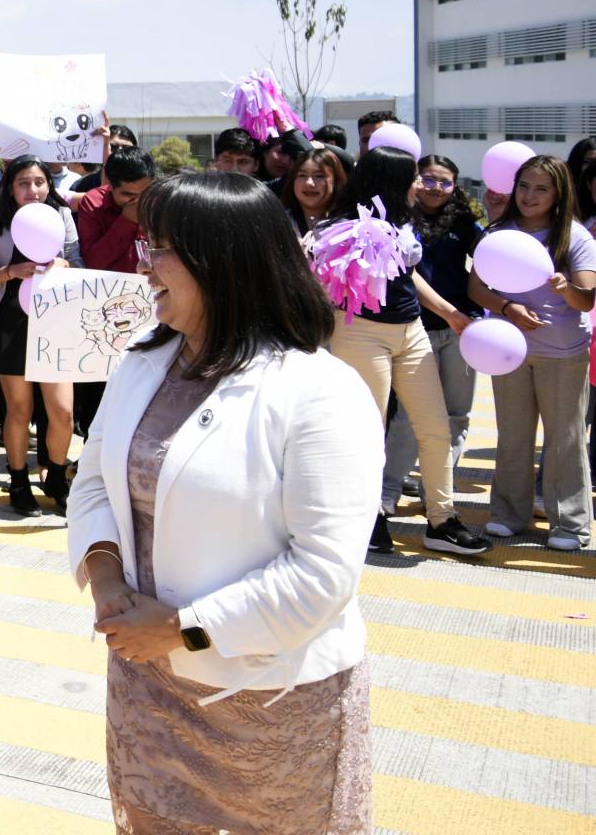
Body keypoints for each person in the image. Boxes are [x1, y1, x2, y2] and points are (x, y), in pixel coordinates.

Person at [69, 171, 378, 835]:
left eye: (160, 249)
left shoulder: (320, 391)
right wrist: (106, 578)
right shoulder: (143, 360)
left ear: (221, 261)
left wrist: (183, 627)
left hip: (270, 701)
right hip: (149, 684)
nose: (142, 265)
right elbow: (93, 480)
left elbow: (322, 572)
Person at [318, 145, 489, 557]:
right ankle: (368, 515)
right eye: (413, 176)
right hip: (360, 335)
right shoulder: (342, 227)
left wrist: (450, 313)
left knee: (435, 428)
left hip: (411, 332)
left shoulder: (403, 221)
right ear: (390, 182)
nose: (419, 183)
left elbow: (407, 274)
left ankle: (442, 520)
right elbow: (325, 285)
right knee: (369, 431)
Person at [468, 155, 596, 550]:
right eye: (524, 186)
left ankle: (570, 525)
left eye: (541, 188)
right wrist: (508, 308)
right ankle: (509, 514)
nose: (529, 195)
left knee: (565, 439)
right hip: (509, 350)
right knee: (513, 435)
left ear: (559, 193)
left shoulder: (575, 237)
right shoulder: (498, 232)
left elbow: (586, 299)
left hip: (563, 352)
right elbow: (477, 288)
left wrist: (565, 288)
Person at [0, 154, 82, 514]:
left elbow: (78, 262)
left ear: (49, 184)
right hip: (9, 319)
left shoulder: (61, 214)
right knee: (18, 409)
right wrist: (12, 271)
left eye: (39, 182)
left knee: (62, 411)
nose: (33, 190)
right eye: (24, 183)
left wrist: (63, 264)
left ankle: (56, 477)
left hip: (54, 319)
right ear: (10, 187)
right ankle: (18, 480)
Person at [379, 155, 480, 524]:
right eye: (428, 179)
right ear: (415, 181)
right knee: (408, 417)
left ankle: (436, 490)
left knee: (456, 416)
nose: (436, 188)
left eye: (445, 181)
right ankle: (388, 490)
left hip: (461, 330)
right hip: (415, 328)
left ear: (455, 186)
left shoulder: (465, 221)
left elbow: (492, 258)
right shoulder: (398, 219)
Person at [72, 147, 157, 435]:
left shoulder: (162, 202)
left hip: (151, 310)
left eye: (144, 194)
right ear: (110, 184)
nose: (138, 201)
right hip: (106, 313)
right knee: (98, 397)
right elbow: (95, 260)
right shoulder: (93, 203)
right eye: (128, 196)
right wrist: (128, 220)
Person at [277, 147, 344, 235]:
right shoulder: (277, 221)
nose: (309, 183)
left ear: (335, 181)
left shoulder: (347, 229)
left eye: (319, 176)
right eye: (302, 175)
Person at [71, 123, 138, 193]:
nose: (119, 152)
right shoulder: (82, 184)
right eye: (113, 147)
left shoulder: (142, 182)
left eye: (126, 148)